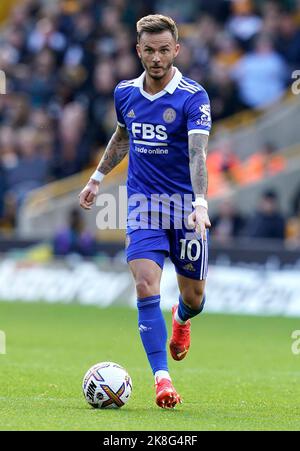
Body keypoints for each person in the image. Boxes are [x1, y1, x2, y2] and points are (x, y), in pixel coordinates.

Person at [79, 14, 212, 409]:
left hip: (186, 210)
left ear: (177, 50)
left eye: (164, 50)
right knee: (144, 286)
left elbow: (197, 153)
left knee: (196, 297)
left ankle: (182, 319)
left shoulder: (193, 96)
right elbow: (123, 135)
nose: (156, 58)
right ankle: (162, 380)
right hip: (142, 207)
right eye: (149, 51)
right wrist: (97, 177)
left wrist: (201, 205)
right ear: (138, 51)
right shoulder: (125, 93)